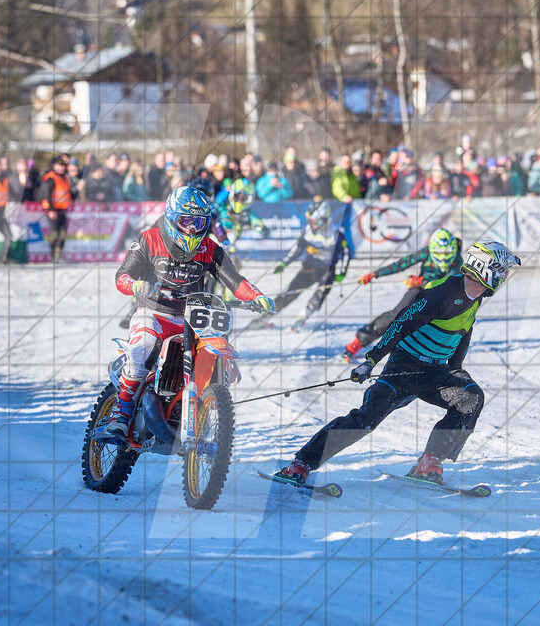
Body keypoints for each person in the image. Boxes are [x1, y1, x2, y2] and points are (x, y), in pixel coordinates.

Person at [274, 240, 522, 485]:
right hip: (403, 369)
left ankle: (430, 461)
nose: (504, 277)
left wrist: (455, 368)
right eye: (503, 270)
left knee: (470, 397)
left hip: (433, 372)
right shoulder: (443, 293)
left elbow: (464, 332)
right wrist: (370, 360)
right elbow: (401, 323)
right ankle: (302, 463)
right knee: (366, 420)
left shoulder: (476, 297)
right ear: (486, 268)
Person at [95, 186, 276, 443]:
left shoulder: (210, 249)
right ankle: (120, 416)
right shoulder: (149, 239)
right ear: (171, 217)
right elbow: (122, 275)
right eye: (186, 221)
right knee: (143, 349)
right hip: (152, 312)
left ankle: (197, 409)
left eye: (198, 222)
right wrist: (134, 284)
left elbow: (235, 281)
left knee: (214, 358)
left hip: (192, 318)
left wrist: (256, 296)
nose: (192, 228)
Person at [344, 228, 463, 361]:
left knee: (431, 326)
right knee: (396, 314)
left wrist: (422, 281)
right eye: (439, 251)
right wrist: (375, 274)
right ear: (432, 248)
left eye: (447, 252)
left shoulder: (458, 262)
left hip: (442, 298)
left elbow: (449, 285)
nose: (442, 256)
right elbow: (402, 263)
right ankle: (358, 342)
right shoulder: (427, 252)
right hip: (420, 290)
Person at [247, 201, 350, 331]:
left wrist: (342, 272)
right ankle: (264, 318)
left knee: (320, 294)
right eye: (311, 221)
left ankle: (303, 317)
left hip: (327, 271)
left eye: (317, 222)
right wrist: (284, 263)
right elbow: (297, 249)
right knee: (289, 293)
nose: (314, 225)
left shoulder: (335, 234)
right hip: (309, 268)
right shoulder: (307, 230)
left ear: (326, 219)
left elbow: (346, 252)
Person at [37, 156, 76, 263]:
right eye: (59, 165)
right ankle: (53, 256)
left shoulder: (65, 178)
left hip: (62, 209)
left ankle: (58, 256)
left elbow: (69, 194)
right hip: (53, 210)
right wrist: (49, 210)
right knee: (54, 233)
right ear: (54, 165)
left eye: (63, 165)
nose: (62, 167)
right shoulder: (50, 177)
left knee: (63, 233)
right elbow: (46, 194)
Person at [215, 177, 267, 250]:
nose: (239, 200)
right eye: (237, 196)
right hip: (222, 242)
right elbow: (214, 210)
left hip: (240, 247)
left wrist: (261, 228)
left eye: (243, 197)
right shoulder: (223, 207)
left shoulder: (249, 213)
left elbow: (261, 226)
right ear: (233, 194)